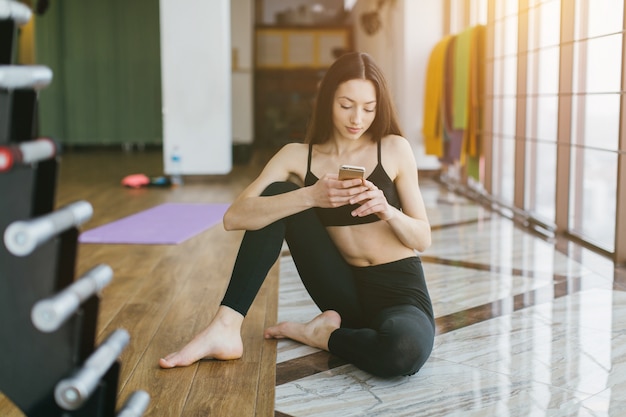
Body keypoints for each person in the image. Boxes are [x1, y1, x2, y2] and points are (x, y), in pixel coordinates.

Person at [159, 52, 435, 378]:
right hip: (340, 292)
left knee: (402, 352)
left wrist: (387, 211)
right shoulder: (295, 156)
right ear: (327, 99)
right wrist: (309, 195)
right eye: (346, 105)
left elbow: (423, 239)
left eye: (368, 108)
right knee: (276, 198)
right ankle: (225, 327)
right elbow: (234, 217)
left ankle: (321, 335)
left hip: (400, 294)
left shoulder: (393, 149)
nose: (357, 118)